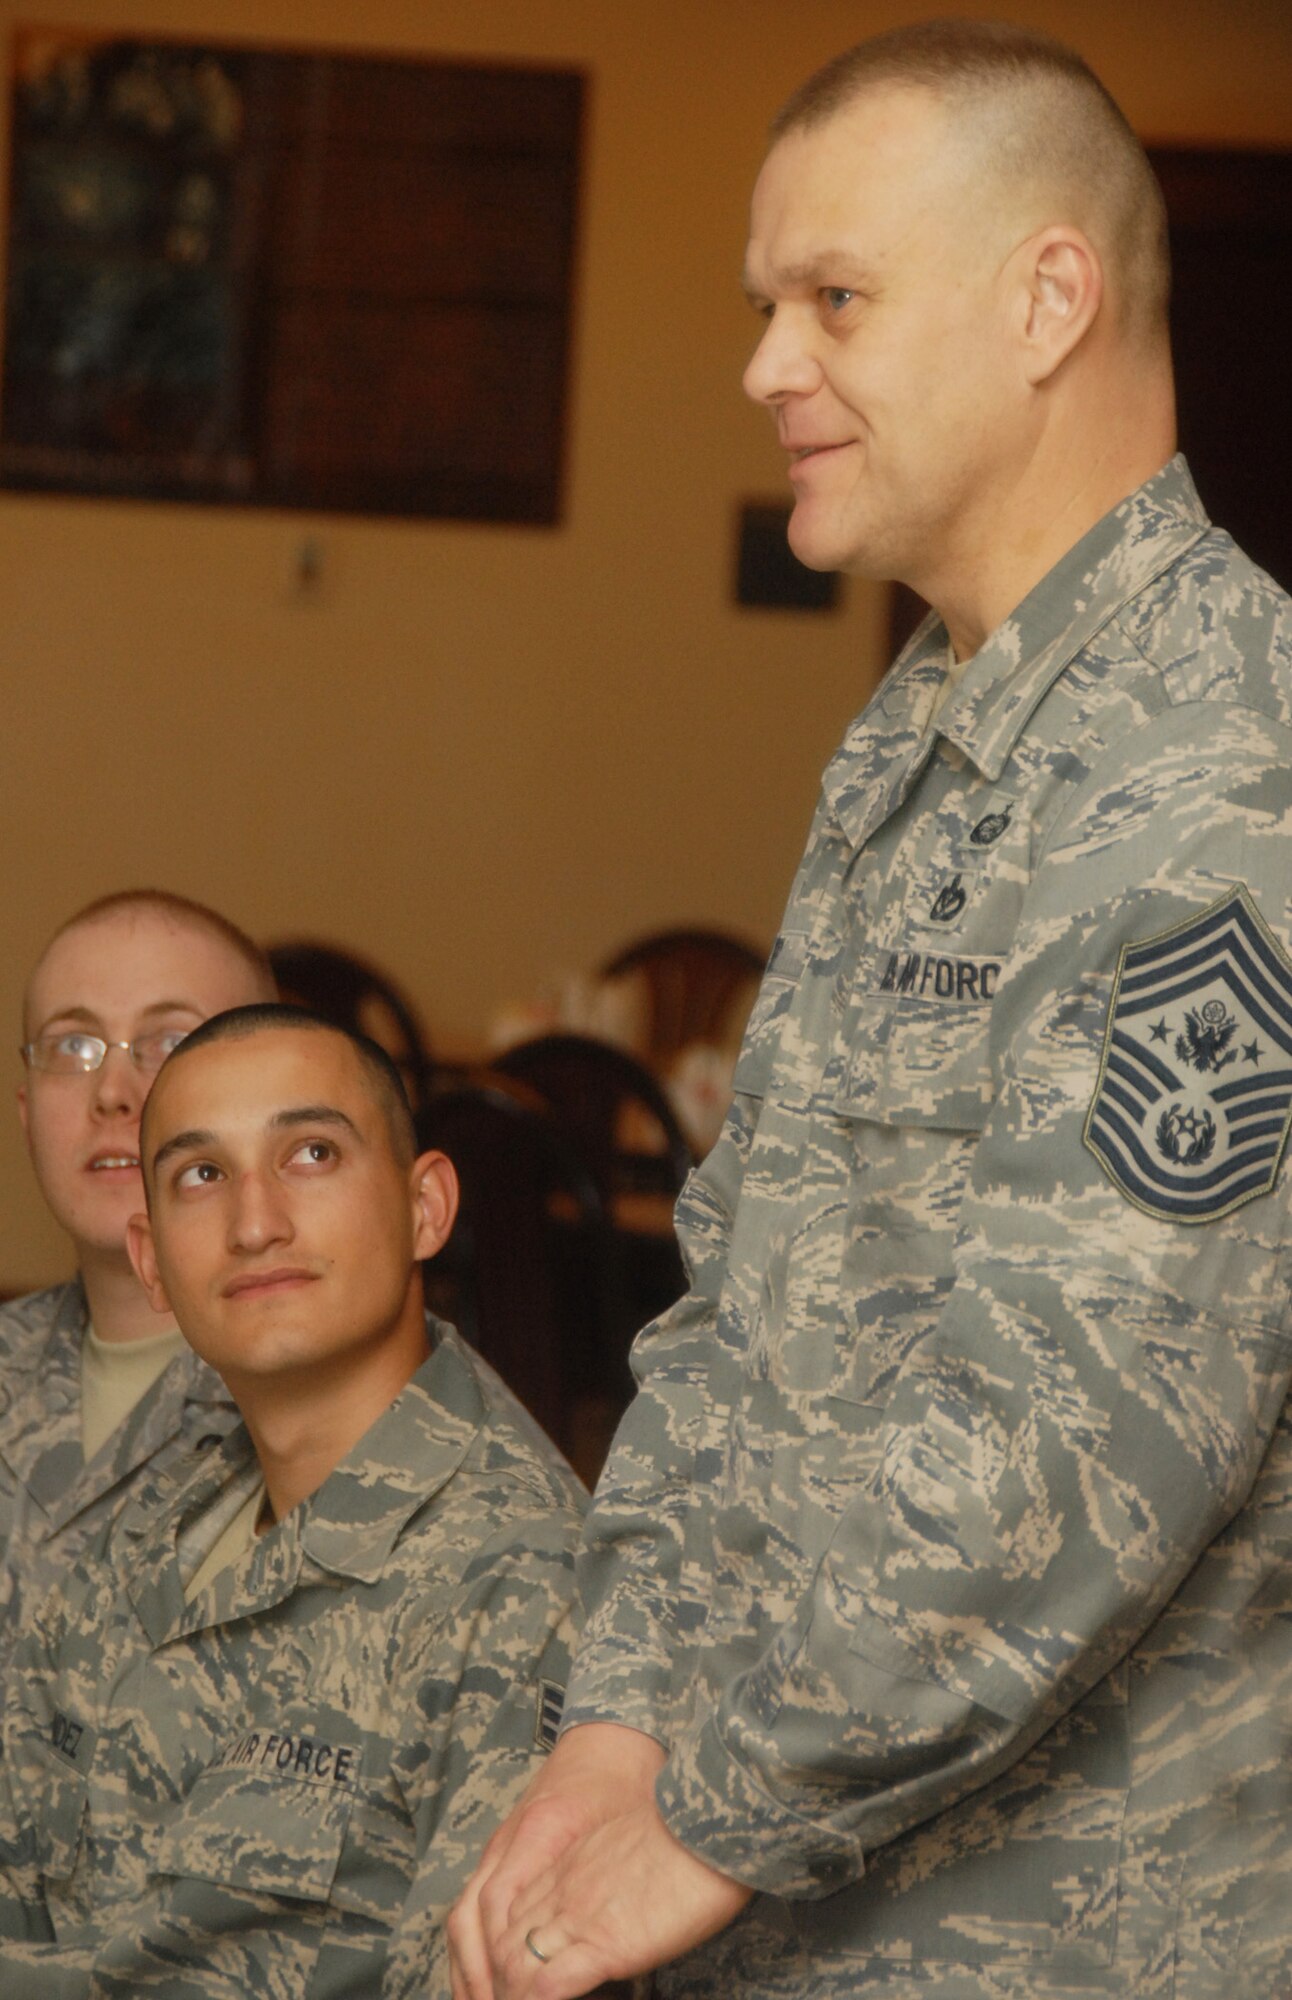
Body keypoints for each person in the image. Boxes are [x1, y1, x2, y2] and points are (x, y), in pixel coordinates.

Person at [449, 20, 1292, 2000]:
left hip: (1070, 1940)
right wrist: (616, 1724)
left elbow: (1077, 1429)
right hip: (794, 1910)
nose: (761, 363)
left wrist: (712, 1805)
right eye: (765, 303)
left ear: (1046, 301)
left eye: (832, 295)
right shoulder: (913, 730)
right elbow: (746, 1301)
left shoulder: (1223, 767)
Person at [0, 1004, 585, 1997]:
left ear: (426, 1207)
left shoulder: (519, 1575)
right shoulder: (154, 1521)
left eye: (311, 1152)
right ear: (151, 1258)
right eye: (201, 1174)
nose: (254, 1220)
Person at [0, 889, 277, 1667]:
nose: (113, 1092)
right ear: (27, 1115)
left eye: (168, 1040)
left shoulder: (316, 1399)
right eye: (72, 1046)